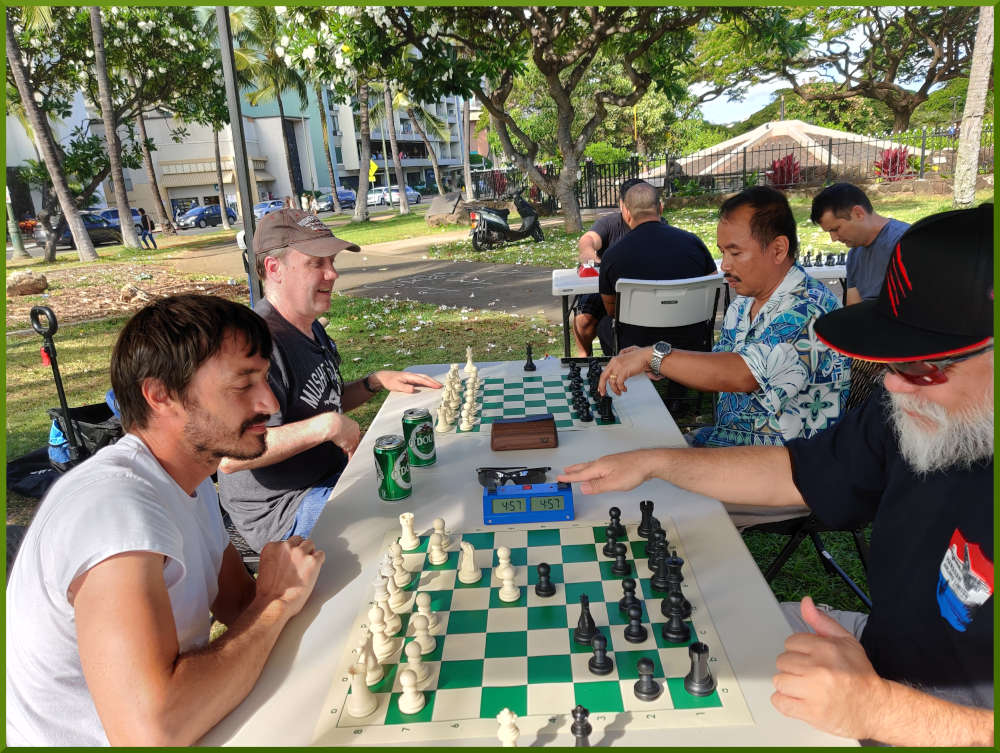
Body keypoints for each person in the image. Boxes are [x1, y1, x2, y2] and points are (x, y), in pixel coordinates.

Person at [558, 203, 993, 746]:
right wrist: (658, 460)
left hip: (924, 715)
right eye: (892, 361)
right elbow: (800, 472)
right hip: (875, 652)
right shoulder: (909, 420)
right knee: (656, 642)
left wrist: (883, 710)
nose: (895, 386)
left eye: (927, 366)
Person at [5, 294, 324, 745]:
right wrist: (275, 601)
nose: (269, 402)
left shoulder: (188, 478)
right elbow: (151, 732)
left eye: (266, 378)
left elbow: (237, 606)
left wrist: (272, 600)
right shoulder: (116, 513)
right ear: (161, 396)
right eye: (243, 383)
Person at [217, 209, 441, 552]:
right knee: (417, 517)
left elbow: (321, 401)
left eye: (332, 261)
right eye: (316, 263)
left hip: (328, 478)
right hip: (284, 511)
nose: (332, 273)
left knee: (426, 481)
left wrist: (374, 381)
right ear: (274, 269)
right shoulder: (257, 342)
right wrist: (325, 427)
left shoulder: (309, 327)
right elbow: (229, 456)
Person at [595, 181, 717, 355]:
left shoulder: (612, 255)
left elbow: (612, 310)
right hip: (692, 339)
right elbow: (712, 287)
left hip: (635, 342)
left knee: (604, 326)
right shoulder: (693, 242)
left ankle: (628, 372)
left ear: (627, 213)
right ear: (660, 208)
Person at [573, 177, 647, 356]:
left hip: (641, 293)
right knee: (583, 321)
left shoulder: (657, 227)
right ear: (622, 205)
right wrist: (590, 255)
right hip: (606, 287)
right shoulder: (610, 223)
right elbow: (588, 240)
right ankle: (585, 361)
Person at [810, 183, 909, 305]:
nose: (833, 238)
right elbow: (853, 311)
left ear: (858, 213)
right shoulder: (854, 256)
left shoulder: (905, 242)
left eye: (835, 229)